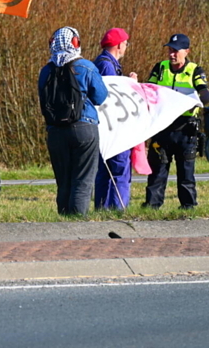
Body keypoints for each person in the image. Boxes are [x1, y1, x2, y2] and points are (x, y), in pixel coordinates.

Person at [38, 26, 108, 216]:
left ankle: (63, 220)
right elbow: (100, 97)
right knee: (82, 180)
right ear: (75, 43)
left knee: (64, 181)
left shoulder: (46, 71)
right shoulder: (86, 66)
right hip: (84, 128)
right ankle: (77, 222)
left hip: (55, 131)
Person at [144, 33, 209, 209]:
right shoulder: (160, 68)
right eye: (170, 50)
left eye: (176, 51)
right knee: (157, 172)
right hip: (162, 128)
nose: (172, 54)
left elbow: (205, 95)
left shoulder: (194, 70)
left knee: (186, 173)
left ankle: (188, 207)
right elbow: (148, 90)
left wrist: (192, 102)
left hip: (186, 130)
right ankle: (152, 206)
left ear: (187, 51)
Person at [92, 27, 138, 210]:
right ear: (119, 45)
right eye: (126, 43)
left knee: (105, 171)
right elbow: (112, 97)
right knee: (119, 169)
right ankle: (117, 209)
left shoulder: (103, 63)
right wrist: (131, 85)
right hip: (114, 128)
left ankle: (103, 209)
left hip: (105, 127)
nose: (126, 47)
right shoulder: (107, 65)